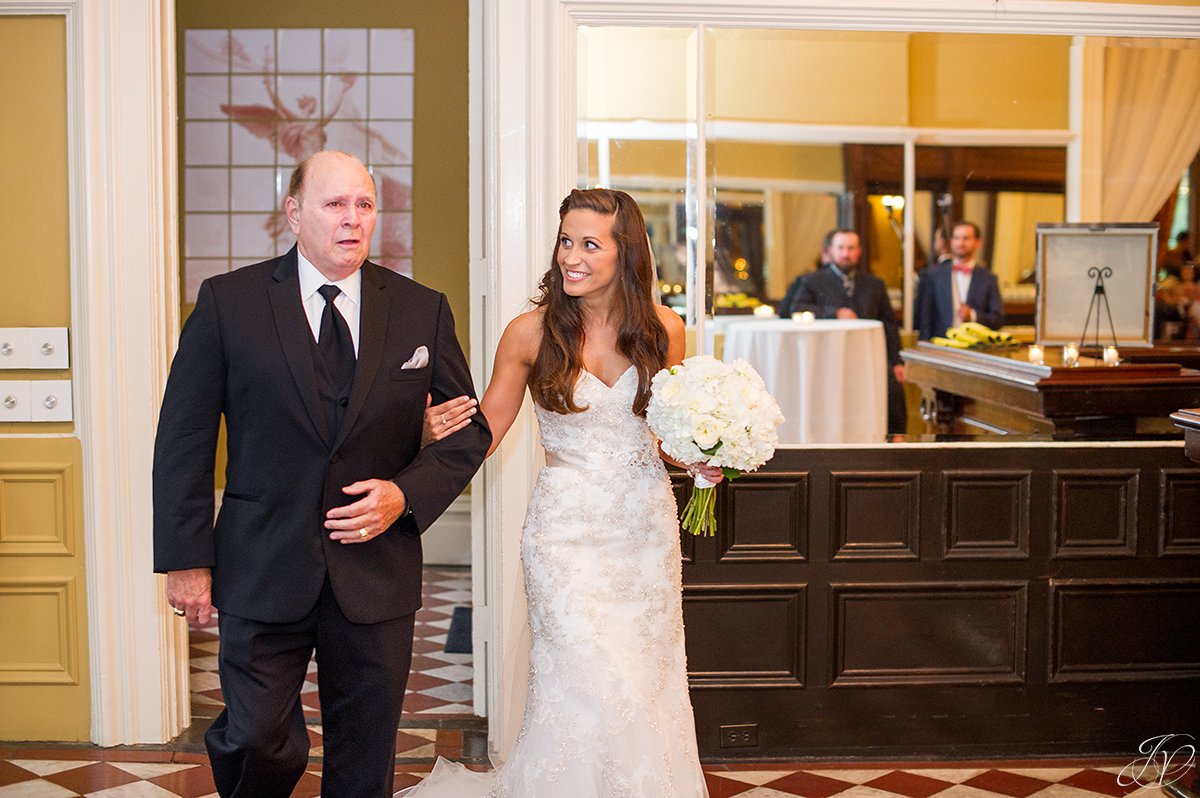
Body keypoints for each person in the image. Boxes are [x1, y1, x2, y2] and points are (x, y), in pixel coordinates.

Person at [153, 150, 491, 798]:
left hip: (375, 570)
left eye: (365, 204)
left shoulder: (422, 310)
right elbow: (185, 439)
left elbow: (468, 429)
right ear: (293, 213)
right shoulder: (230, 303)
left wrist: (403, 495)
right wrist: (186, 559)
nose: (353, 219)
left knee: (366, 757)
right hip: (260, 561)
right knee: (256, 736)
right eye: (335, 204)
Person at [404, 188, 720, 797]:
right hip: (564, 534)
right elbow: (486, 432)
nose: (571, 256)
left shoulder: (665, 331)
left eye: (589, 244)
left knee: (645, 679)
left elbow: (667, 437)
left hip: (643, 532)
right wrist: (423, 435)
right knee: (584, 676)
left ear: (625, 254)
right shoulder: (529, 332)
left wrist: (707, 459)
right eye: (565, 241)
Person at [779, 228, 907, 435]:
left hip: (868, 357)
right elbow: (795, 309)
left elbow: (889, 323)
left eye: (851, 248)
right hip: (828, 360)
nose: (846, 253)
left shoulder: (875, 284)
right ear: (830, 251)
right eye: (841, 248)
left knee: (891, 394)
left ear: (859, 251)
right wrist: (834, 313)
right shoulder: (811, 281)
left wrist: (897, 361)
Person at [915, 220, 1004, 340]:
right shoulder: (932, 275)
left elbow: (997, 319)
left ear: (977, 242)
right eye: (956, 238)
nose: (960, 243)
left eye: (966, 238)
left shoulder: (988, 279)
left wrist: (973, 315)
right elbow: (924, 318)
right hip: (940, 347)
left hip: (976, 349)